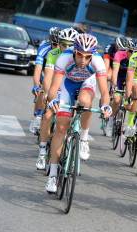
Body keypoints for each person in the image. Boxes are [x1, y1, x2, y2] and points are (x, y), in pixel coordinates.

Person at [45, 33, 111, 193]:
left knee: (86, 102)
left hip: (86, 84)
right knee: (61, 128)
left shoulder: (98, 61)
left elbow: (104, 91)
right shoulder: (64, 58)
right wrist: (53, 100)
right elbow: (54, 88)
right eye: (80, 55)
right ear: (75, 51)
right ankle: (52, 175)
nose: (82, 60)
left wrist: (106, 106)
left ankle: (83, 138)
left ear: (93, 55)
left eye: (87, 56)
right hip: (67, 86)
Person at [35, 27, 79, 170]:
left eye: (70, 44)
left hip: (70, 88)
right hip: (56, 86)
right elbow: (47, 78)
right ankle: (42, 152)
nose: (66, 48)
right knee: (48, 115)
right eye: (63, 44)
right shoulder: (53, 54)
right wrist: (49, 96)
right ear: (58, 43)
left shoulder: (79, 56)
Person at [105, 38, 137, 137]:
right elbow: (115, 72)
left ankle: (133, 124)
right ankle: (110, 120)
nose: (133, 53)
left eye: (136, 52)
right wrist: (114, 86)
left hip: (132, 78)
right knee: (117, 100)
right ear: (126, 50)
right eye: (130, 51)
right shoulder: (119, 55)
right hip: (120, 77)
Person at [29, 27, 60, 134]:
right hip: (45, 73)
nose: (57, 47)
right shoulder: (44, 48)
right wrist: (36, 85)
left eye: (59, 44)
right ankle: (37, 117)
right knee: (41, 91)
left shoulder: (65, 51)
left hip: (58, 74)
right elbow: (38, 69)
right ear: (50, 42)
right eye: (54, 44)